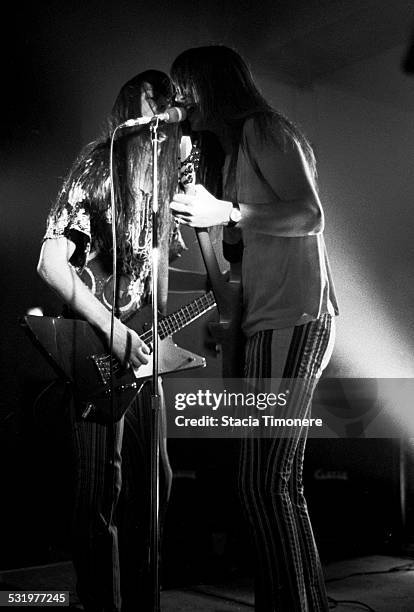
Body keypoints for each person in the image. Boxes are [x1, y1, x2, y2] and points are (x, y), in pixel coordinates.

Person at [170, 45, 339, 612]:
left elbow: (310, 215)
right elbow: (232, 273)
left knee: (265, 483)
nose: (180, 102)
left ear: (210, 84)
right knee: (273, 483)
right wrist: (207, 225)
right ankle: (302, 600)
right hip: (267, 321)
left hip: (296, 316)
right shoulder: (237, 151)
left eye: (184, 87)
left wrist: (232, 213)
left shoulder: (266, 129)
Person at [37, 70, 183, 611]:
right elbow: (51, 264)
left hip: (140, 353)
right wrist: (115, 330)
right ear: (143, 103)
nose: (172, 112)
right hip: (99, 344)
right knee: (103, 493)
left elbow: (160, 286)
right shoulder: (100, 162)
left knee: (155, 487)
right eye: (163, 100)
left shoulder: (164, 186)